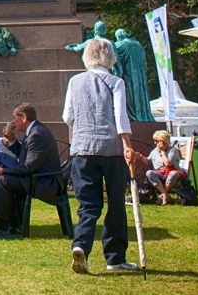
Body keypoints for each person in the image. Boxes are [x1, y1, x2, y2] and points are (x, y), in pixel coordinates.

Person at [62, 37, 136, 274]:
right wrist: (127, 145)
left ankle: (80, 245)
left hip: (82, 148)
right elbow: (120, 116)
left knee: (87, 204)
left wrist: (83, 128)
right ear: (108, 56)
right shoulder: (115, 82)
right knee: (115, 203)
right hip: (111, 148)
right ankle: (115, 258)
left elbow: (67, 116)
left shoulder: (75, 81)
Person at [0, 103, 63, 239]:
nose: (13, 122)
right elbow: (25, 155)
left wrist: (3, 171)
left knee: (3, 181)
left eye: (14, 118)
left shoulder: (37, 134)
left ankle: (2, 227)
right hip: (37, 177)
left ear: (24, 117)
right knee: (4, 181)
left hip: (44, 182)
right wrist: (13, 142)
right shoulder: (34, 131)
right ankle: (14, 225)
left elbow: (28, 166)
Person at [145, 130, 186, 207]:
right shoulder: (155, 150)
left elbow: (168, 163)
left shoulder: (173, 150)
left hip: (173, 175)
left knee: (173, 174)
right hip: (160, 174)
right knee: (149, 172)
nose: (155, 143)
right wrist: (139, 157)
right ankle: (165, 195)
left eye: (156, 141)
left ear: (163, 141)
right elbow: (147, 161)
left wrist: (163, 152)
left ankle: (163, 196)